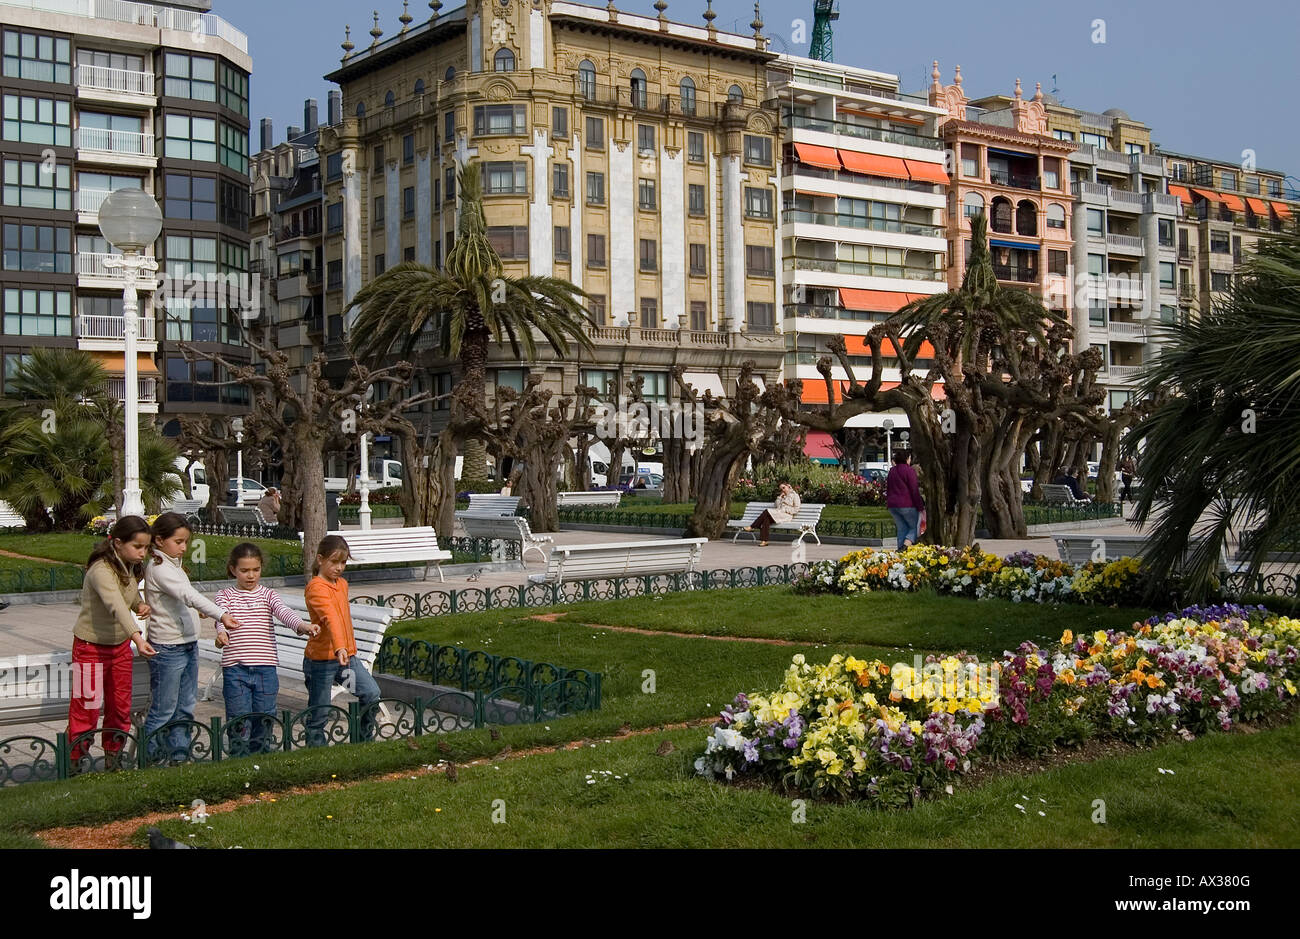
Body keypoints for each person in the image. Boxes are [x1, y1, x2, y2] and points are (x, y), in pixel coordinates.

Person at [143, 512, 241, 765]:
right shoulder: (159, 567)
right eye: (179, 542)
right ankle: (152, 760)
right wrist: (221, 614)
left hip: (186, 644)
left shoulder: (172, 564)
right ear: (159, 540)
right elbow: (187, 594)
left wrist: (196, 611)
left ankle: (179, 756)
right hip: (168, 647)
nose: (184, 547)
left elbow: (184, 597)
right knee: (164, 709)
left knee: (185, 707)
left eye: (186, 541)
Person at [68, 516, 157, 771]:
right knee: (87, 707)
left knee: (120, 707)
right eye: (137, 547)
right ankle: (74, 761)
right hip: (90, 647)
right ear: (117, 543)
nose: (143, 553)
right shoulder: (101, 570)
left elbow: (126, 599)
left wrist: (139, 605)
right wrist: (138, 638)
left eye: (146, 547)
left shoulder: (128, 565)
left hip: (118, 648)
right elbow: (115, 605)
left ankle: (113, 759)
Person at [212, 543, 319, 754]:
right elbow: (220, 616)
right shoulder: (225, 595)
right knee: (239, 718)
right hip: (236, 669)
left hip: (265, 669)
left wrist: (302, 626)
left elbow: (283, 612)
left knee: (265, 716)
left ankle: (261, 755)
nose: (251, 575)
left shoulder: (268, 595)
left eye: (255, 570)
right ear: (233, 569)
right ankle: (239, 759)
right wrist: (221, 633)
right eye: (244, 571)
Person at [303, 535, 382, 747]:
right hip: (322, 661)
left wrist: (345, 649)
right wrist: (339, 646)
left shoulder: (342, 584)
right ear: (320, 559)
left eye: (344, 562)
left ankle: (363, 740)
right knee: (320, 711)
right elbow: (331, 617)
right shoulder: (316, 587)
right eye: (334, 561)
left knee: (371, 692)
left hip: (346, 659)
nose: (339, 567)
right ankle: (315, 752)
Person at [886, 451, 925, 549]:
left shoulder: (892, 471)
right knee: (913, 528)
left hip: (893, 505)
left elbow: (889, 488)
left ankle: (900, 551)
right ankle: (905, 546)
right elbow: (914, 490)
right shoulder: (909, 471)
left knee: (902, 529)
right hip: (907, 505)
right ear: (907, 459)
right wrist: (920, 506)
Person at [747, 481, 801, 546]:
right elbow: (776, 506)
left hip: (786, 515)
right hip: (778, 514)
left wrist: (786, 510)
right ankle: (764, 541)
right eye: (781, 489)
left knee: (766, 511)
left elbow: (796, 509)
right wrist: (780, 497)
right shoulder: (782, 496)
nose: (783, 490)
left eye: (784, 488)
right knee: (766, 519)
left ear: (788, 486)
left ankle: (753, 526)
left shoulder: (795, 495)